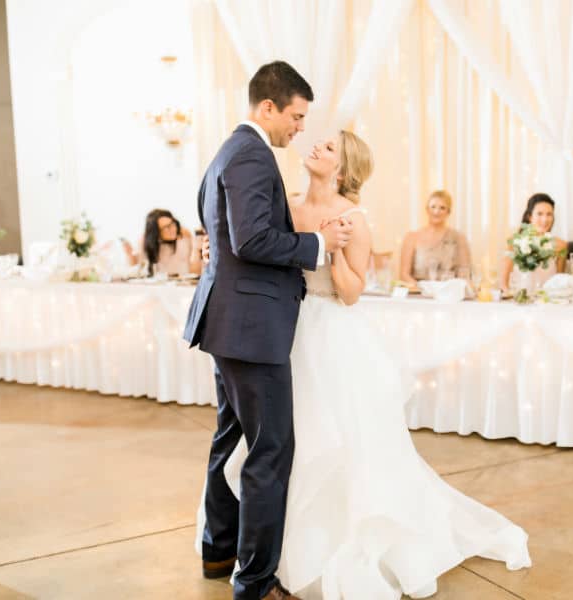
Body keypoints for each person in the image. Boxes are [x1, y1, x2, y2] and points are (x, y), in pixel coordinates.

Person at [198, 130, 531, 600]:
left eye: (329, 148)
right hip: (281, 330)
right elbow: (258, 246)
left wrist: (330, 248)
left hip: (330, 333)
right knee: (277, 441)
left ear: (343, 168)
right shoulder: (285, 202)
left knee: (332, 442)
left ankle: (326, 548)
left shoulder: (353, 219)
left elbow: (352, 292)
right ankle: (268, 550)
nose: (316, 146)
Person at [182, 61, 354, 600]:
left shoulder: (226, 154)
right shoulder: (253, 154)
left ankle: (218, 548)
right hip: (252, 329)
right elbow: (253, 240)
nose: (300, 128)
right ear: (269, 107)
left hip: (228, 322)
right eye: (297, 116)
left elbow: (223, 236)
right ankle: (254, 581)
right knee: (270, 451)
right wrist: (317, 247)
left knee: (229, 438)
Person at [399, 190, 471, 285]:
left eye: (442, 208)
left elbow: (464, 272)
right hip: (419, 294)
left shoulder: (459, 238)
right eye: (433, 207)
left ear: (448, 212)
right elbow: (404, 275)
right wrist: (424, 289)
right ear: (427, 209)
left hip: (449, 295)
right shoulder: (411, 237)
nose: (436, 212)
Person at [500, 193, 566, 291]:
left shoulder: (560, 245)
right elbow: (503, 284)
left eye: (549, 214)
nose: (545, 219)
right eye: (539, 214)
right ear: (530, 217)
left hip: (547, 303)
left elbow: (559, 284)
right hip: (519, 301)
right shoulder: (515, 242)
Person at [121, 209, 204, 276]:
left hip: (182, 283)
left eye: (172, 224)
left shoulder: (184, 237)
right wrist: (129, 255)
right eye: (166, 227)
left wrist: (195, 248)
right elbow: (137, 268)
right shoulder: (146, 241)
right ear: (155, 232)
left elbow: (195, 272)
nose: (172, 229)